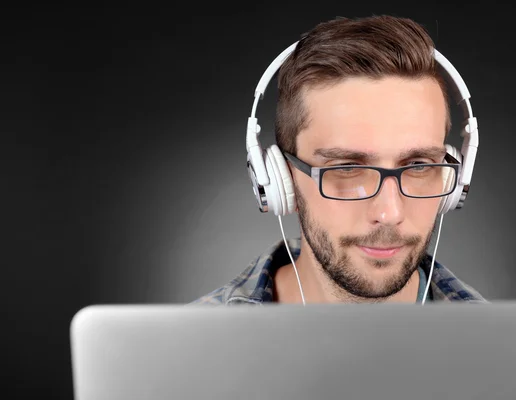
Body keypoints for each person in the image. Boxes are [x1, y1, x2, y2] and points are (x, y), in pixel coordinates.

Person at [193, 14, 487, 306]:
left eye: (418, 166)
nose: (389, 213)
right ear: (283, 178)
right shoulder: (191, 348)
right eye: (347, 168)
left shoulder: (504, 349)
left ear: (455, 181)